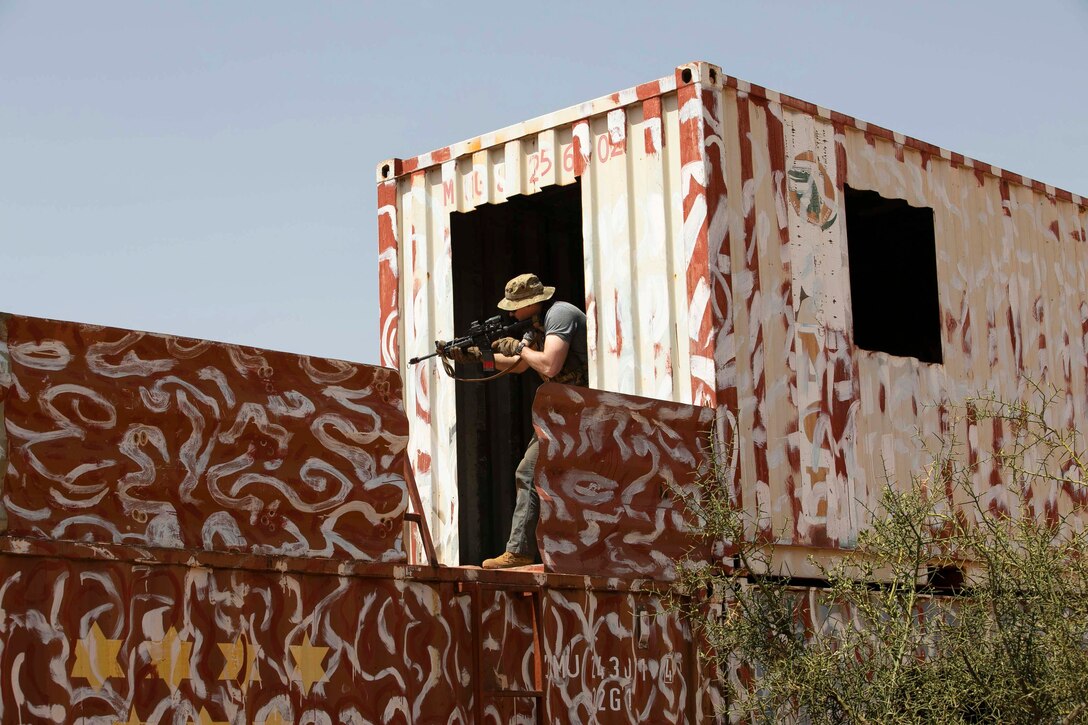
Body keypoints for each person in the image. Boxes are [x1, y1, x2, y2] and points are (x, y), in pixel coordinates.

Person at [445, 273, 588, 569]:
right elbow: (517, 367)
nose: (510, 312)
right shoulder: (534, 326)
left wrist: (519, 347)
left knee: (528, 472)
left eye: (515, 306)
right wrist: (474, 357)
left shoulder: (559, 314)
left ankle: (520, 551)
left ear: (533, 302)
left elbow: (549, 363)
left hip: (583, 409)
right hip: (563, 412)